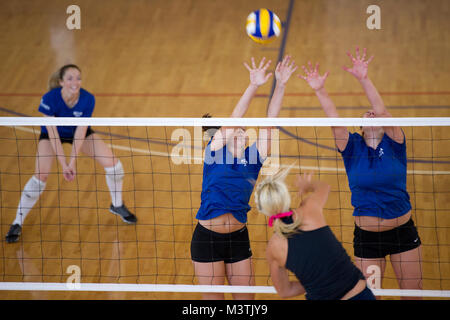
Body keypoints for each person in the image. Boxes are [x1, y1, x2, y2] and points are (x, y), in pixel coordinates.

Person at [299, 47, 423, 297]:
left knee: (413, 295)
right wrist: (319, 89)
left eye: (374, 113)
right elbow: (335, 122)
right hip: (368, 239)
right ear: (361, 127)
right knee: (367, 297)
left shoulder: (395, 143)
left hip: (403, 232)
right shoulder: (352, 147)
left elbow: (383, 110)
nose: (371, 112)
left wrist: (364, 78)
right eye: (366, 114)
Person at [190, 56, 298, 300]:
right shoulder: (214, 152)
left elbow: (270, 123)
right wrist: (254, 85)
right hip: (207, 239)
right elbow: (234, 119)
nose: (240, 130)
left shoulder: (254, 158)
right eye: (234, 129)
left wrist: (280, 84)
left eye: (243, 130)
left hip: (238, 238)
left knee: (246, 304)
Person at [5, 64, 137, 243]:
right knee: (40, 176)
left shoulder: (88, 99)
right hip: (52, 135)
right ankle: (17, 222)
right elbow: (52, 135)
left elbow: (81, 131)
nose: (75, 82)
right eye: (70, 78)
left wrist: (72, 162)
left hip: (77, 132)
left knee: (115, 166)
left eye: (78, 78)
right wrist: (63, 165)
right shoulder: (49, 99)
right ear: (61, 82)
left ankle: (117, 204)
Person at [254, 169, 375, 300]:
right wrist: (308, 186)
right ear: (286, 197)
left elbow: (285, 291)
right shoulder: (310, 207)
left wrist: (316, 281)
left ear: (263, 210)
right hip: (359, 294)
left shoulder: (273, 247)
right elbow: (324, 186)